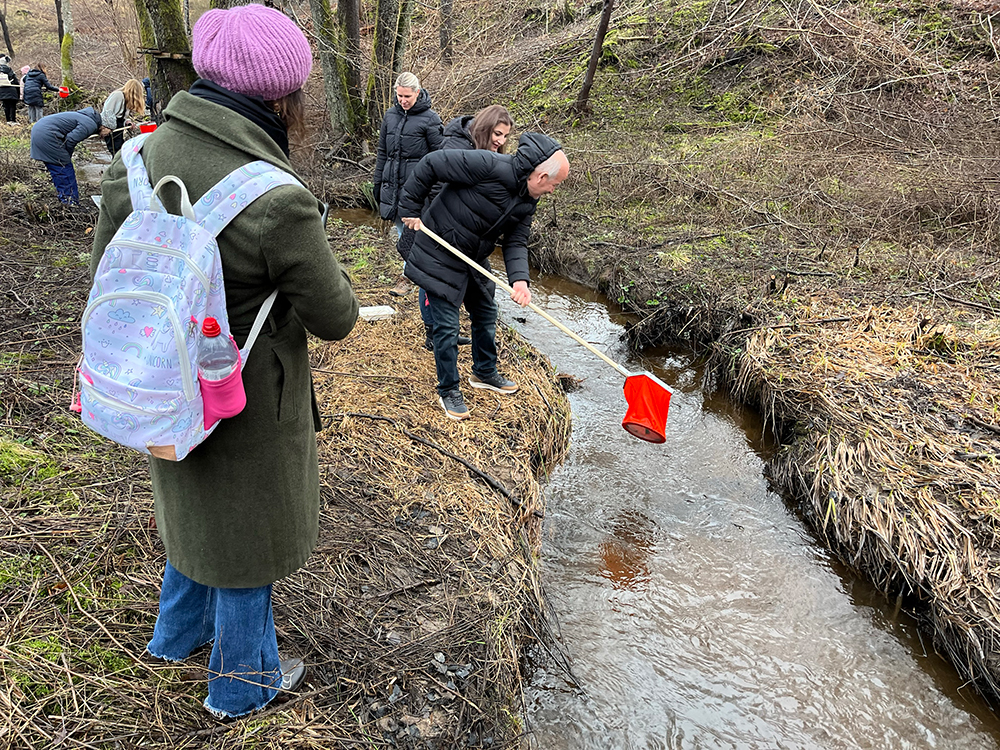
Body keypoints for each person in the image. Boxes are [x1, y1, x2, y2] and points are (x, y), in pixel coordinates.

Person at [90, 4, 359, 720]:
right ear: (281, 96)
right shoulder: (277, 200)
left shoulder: (137, 160)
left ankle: (174, 638)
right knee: (246, 535)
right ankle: (241, 686)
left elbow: (110, 276)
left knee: (193, 508)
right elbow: (336, 318)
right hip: (244, 400)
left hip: (158, 381)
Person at [398, 132, 570, 420]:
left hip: (473, 257)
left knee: (486, 311)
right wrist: (410, 210)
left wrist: (520, 280)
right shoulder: (488, 165)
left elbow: (516, 241)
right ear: (541, 176)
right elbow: (431, 164)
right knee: (447, 325)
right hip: (439, 247)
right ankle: (449, 389)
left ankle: (484, 372)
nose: (554, 190)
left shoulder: (528, 199)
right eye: (555, 184)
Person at [408, 105, 514, 351]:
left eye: (506, 136)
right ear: (485, 128)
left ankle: (447, 332)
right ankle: (433, 332)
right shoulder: (457, 146)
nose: (500, 140)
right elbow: (436, 187)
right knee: (432, 280)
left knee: (463, 287)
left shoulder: (489, 152)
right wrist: (434, 225)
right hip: (436, 228)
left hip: (465, 234)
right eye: (497, 133)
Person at [372, 71, 443, 296]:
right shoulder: (390, 116)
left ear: (417, 93)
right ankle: (416, 274)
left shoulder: (431, 119)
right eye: (400, 96)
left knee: (413, 235)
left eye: (407, 97)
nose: (403, 101)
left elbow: (440, 158)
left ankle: (409, 276)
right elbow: (383, 152)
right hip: (392, 186)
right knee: (404, 233)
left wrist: (435, 191)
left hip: (417, 189)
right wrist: (377, 182)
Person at [30, 107, 108, 204]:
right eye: (110, 131)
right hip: (48, 136)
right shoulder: (90, 125)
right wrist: (67, 157)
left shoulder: (86, 118)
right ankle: (70, 202)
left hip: (40, 131)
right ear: (105, 126)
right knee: (64, 169)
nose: (108, 134)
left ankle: (65, 198)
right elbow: (70, 140)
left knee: (58, 169)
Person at [100, 78, 146, 155]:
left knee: (120, 151)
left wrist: (127, 122)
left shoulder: (126, 100)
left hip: (118, 128)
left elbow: (122, 117)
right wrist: (108, 128)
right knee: (116, 152)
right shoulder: (117, 95)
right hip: (110, 128)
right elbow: (107, 113)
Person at [0, 55, 19, 124]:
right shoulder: (10, 70)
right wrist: (18, 91)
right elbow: (16, 81)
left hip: (2, 90)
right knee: (12, 106)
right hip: (11, 89)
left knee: (6, 106)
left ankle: (8, 120)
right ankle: (13, 120)